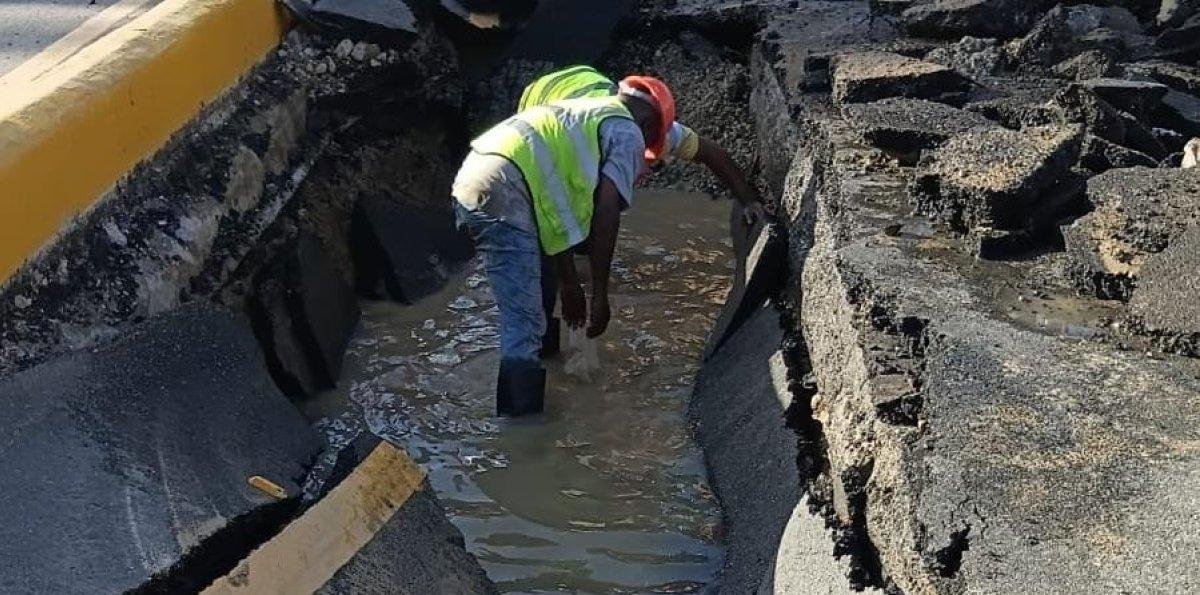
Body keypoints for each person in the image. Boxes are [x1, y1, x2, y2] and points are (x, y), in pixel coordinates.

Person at [452, 72, 764, 417]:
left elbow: (557, 212)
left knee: (533, 289)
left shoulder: (595, 111)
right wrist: (599, 294)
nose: (642, 165)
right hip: (507, 190)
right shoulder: (628, 132)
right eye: (646, 160)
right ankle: (522, 438)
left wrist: (749, 200)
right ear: (649, 127)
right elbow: (606, 211)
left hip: (481, 175)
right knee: (523, 321)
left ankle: (545, 360)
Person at [518, 65, 768, 360]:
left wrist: (749, 201)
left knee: (588, 214)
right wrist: (575, 286)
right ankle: (540, 341)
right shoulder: (596, 129)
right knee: (545, 236)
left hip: (584, 105)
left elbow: (710, 152)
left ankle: (579, 257)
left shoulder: (651, 125)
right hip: (540, 108)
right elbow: (553, 205)